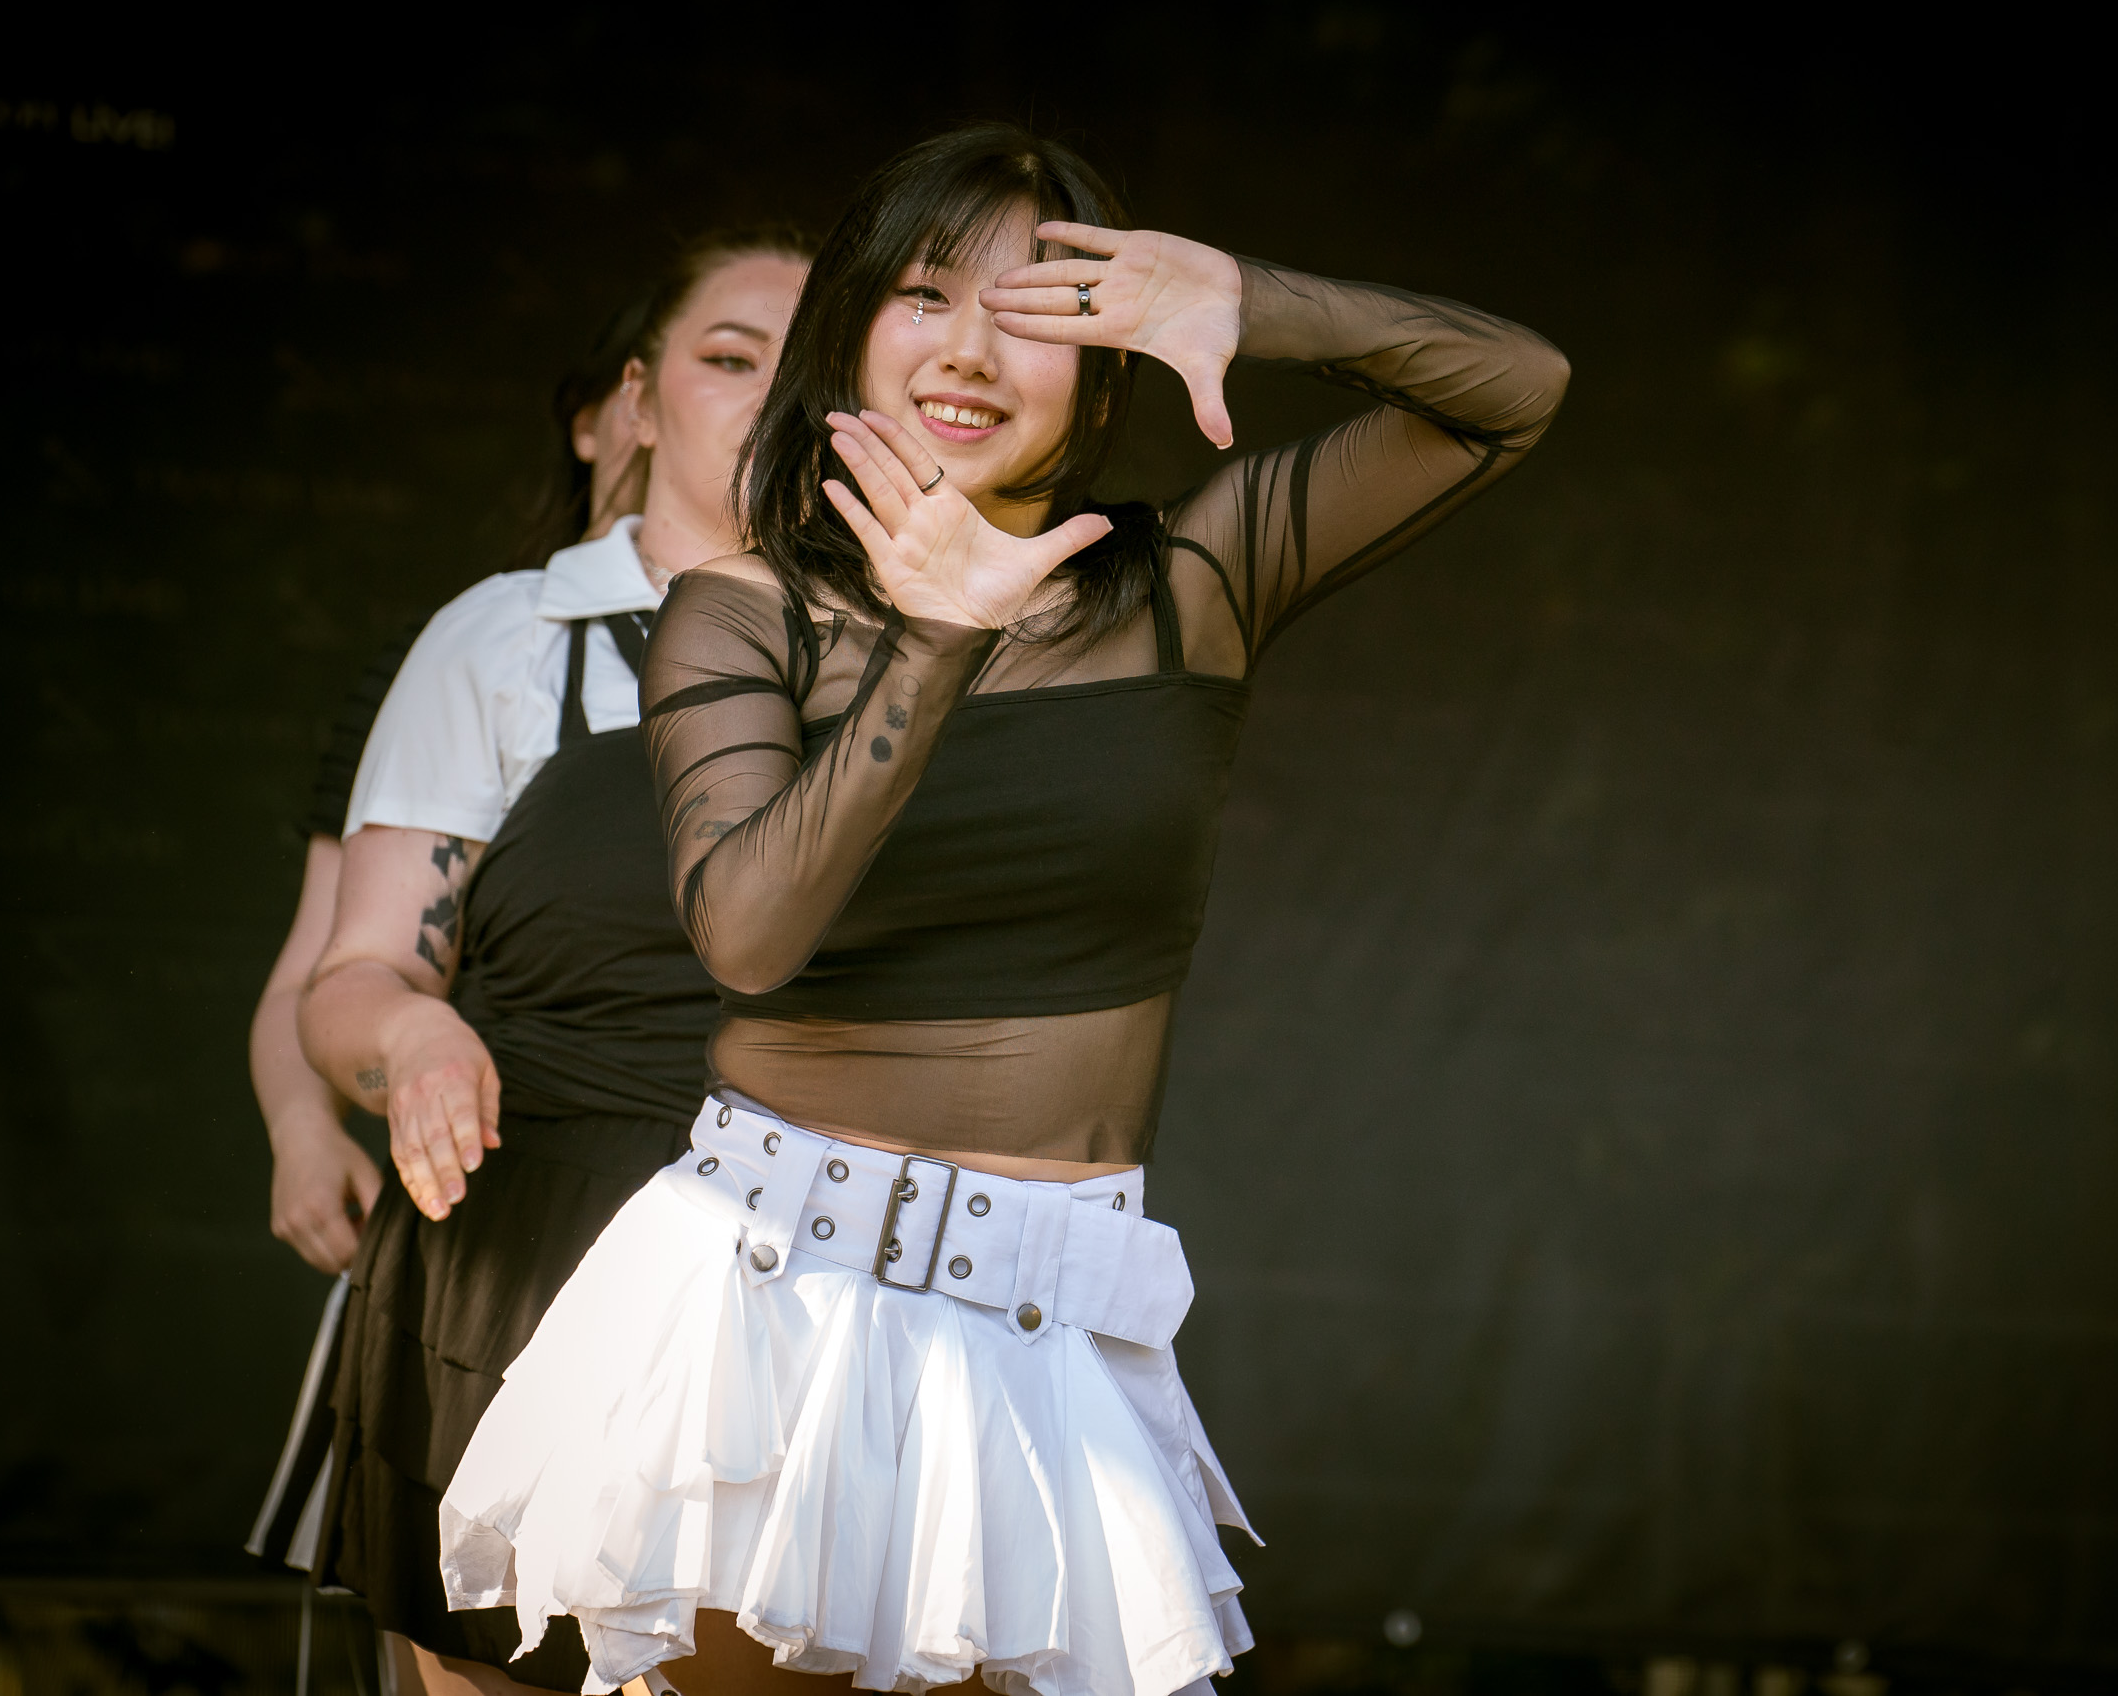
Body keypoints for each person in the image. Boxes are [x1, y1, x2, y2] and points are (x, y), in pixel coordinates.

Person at [437, 125, 1568, 1696]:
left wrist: (1250, 301)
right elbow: (748, 935)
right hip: (776, 1297)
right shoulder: (745, 608)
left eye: (1034, 305)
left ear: (1102, 365)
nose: (970, 347)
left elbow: (1517, 389)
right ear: (851, 335)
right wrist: (934, 638)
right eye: (924, 294)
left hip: (1052, 1315)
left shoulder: (1192, 583)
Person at [294, 225, 817, 1696]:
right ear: (637, 401)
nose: (773, 397)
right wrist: (417, 1039)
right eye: (732, 358)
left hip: (811, 1281)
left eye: (813, 370)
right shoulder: (511, 640)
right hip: (527, 1266)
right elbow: (353, 977)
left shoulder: (910, 655)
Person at [249, 288, 658, 1277]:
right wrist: (304, 1132)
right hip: (514, 1204)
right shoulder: (469, 651)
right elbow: (321, 967)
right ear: (598, 419)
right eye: (719, 364)